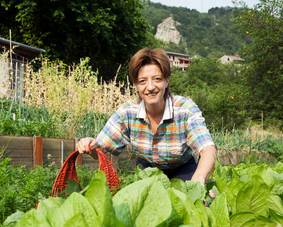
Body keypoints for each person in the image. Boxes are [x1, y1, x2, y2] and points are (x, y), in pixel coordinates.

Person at [76, 48, 216, 185]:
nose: (150, 87)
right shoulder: (127, 112)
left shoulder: (185, 110)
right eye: (143, 81)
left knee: (188, 199)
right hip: (147, 168)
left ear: (166, 81)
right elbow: (101, 150)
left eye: (157, 79)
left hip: (183, 167)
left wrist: (199, 179)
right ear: (136, 85)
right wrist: (91, 146)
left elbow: (208, 149)